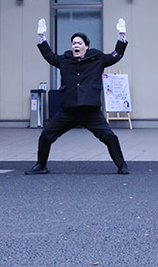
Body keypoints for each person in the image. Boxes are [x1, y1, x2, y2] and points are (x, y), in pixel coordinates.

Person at [26, 18, 130, 175]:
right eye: (74, 43)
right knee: (46, 135)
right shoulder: (65, 60)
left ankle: (122, 165)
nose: (76, 45)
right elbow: (49, 55)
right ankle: (41, 165)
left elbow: (116, 55)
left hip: (90, 111)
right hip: (68, 111)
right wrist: (42, 37)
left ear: (86, 47)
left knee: (109, 136)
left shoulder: (97, 59)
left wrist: (122, 35)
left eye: (79, 43)